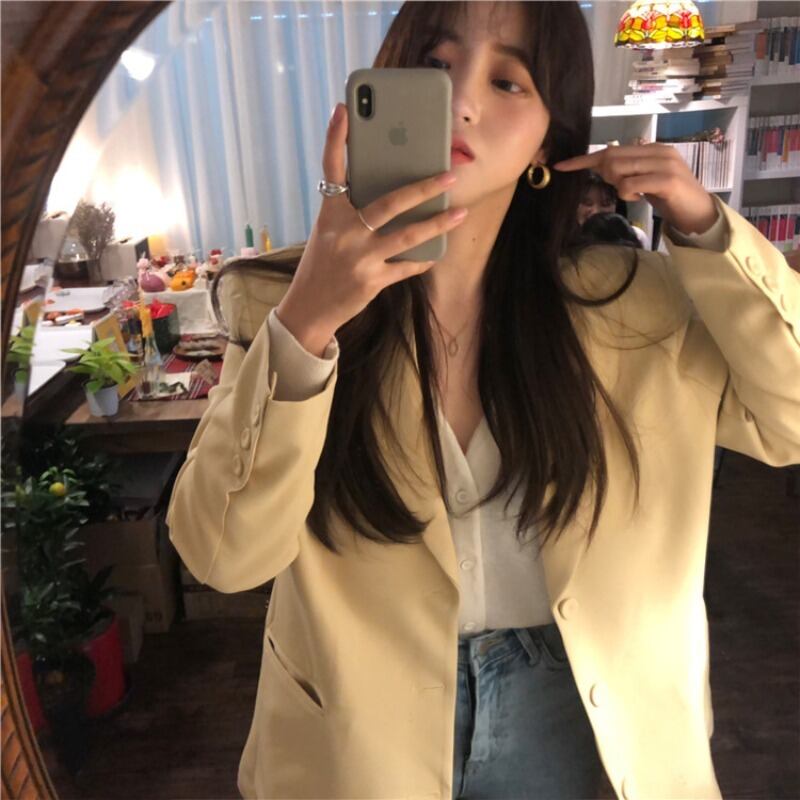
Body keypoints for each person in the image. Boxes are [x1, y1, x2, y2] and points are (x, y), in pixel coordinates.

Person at [166, 2, 800, 799]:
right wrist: (309, 324)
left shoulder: (638, 304)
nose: (462, 99)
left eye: (508, 81)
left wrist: (708, 229)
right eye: (435, 65)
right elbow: (223, 557)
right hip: (358, 740)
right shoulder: (279, 303)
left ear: (548, 141)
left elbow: (790, 422)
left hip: (587, 719)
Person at [578, 170, 650, 248]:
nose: (596, 212)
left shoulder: (637, 237)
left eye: (605, 204)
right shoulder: (568, 238)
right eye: (587, 203)